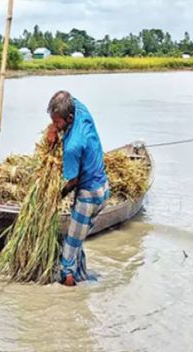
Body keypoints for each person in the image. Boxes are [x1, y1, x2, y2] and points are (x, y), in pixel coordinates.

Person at [45, 90, 110, 286]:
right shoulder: (80, 109)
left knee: (67, 257)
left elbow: (72, 182)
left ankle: (70, 300)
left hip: (88, 197)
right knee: (76, 241)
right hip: (104, 189)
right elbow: (66, 97)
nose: (56, 125)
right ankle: (82, 277)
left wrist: (56, 197)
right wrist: (53, 129)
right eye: (53, 120)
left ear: (70, 117)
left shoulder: (72, 146)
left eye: (58, 122)